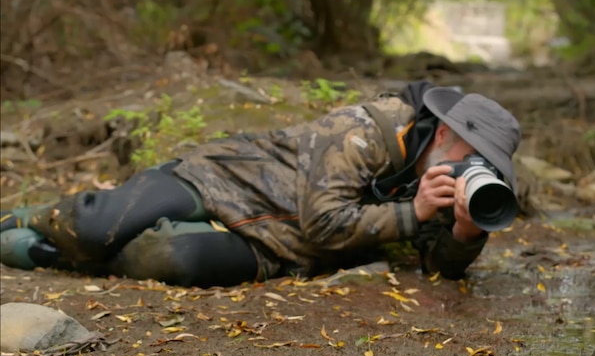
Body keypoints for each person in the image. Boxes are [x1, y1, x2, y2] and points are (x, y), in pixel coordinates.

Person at [0, 81, 521, 288]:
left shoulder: (453, 186)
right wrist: (415, 213)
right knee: (97, 225)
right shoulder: (372, 128)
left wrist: (465, 231)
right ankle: (25, 220)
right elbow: (323, 222)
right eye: (473, 159)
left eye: (486, 167)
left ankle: (51, 256)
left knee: (170, 262)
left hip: (279, 248)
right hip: (225, 179)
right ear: (447, 130)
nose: (470, 171)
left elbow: (439, 267)